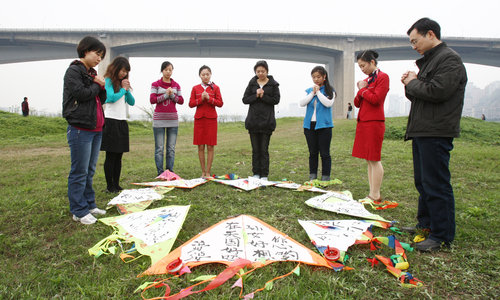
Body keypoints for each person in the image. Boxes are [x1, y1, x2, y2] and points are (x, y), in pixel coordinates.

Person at [401, 18, 467, 252]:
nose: (414, 46)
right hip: (423, 129)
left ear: (431, 34)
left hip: (436, 130)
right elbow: (423, 95)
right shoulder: (431, 61)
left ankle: (441, 234)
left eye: (415, 41)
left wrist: (413, 82)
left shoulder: (449, 59)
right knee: (423, 181)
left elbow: (437, 91)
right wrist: (411, 84)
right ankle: (426, 224)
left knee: (436, 183)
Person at [62, 36, 107, 225]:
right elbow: (81, 94)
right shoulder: (73, 71)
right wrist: (97, 84)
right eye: (97, 53)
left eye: (101, 56)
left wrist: (100, 85)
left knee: (89, 170)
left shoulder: (92, 73)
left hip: (96, 128)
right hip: (80, 128)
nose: (99, 58)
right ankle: (78, 210)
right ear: (85, 50)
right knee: (79, 171)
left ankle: (89, 204)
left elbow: (101, 98)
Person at [352, 50, 389, 202]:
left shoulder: (383, 77)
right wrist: (361, 90)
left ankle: (375, 194)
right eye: (359, 67)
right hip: (364, 122)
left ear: (372, 62)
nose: (362, 69)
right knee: (368, 159)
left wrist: (363, 89)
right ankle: (371, 193)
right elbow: (356, 103)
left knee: (374, 158)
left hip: (375, 122)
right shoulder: (366, 80)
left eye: (363, 65)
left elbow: (376, 99)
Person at [101, 57, 135, 193]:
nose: (123, 73)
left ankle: (116, 183)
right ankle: (109, 185)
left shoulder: (123, 85)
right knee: (111, 156)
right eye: (122, 70)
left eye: (126, 72)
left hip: (121, 121)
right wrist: (122, 90)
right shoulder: (108, 81)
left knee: (119, 156)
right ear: (116, 68)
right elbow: (110, 98)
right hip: (110, 121)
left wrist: (126, 90)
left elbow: (131, 102)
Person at [242, 60, 280, 181]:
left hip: (266, 122)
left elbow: (276, 100)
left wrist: (264, 96)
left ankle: (264, 174)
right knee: (255, 150)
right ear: (255, 72)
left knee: (264, 150)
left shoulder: (273, 84)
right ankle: (256, 173)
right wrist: (256, 95)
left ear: (267, 71)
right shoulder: (252, 83)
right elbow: (245, 99)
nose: (260, 73)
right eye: (258, 71)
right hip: (253, 122)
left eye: (263, 71)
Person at [300, 66, 335, 181]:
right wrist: (312, 93)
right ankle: (312, 176)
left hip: (324, 126)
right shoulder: (309, 91)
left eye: (318, 77)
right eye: (314, 77)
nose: (316, 79)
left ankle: (325, 177)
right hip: (309, 126)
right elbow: (302, 103)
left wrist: (318, 93)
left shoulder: (330, 91)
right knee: (312, 152)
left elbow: (328, 103)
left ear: (324, 77)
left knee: (325, 153)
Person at [150, 61, 184, 176]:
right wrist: (166, 95)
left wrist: (172, 95)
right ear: (162, 71)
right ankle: (160, 173)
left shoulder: (176, 85)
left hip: (173, 121)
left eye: (170, 70)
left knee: (171, 148)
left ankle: (169, 172)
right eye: (166, 70)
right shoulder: (155, 84)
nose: (168, 72)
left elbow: (181, 101)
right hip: (159, 120)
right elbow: (152, 100)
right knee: (159, 149)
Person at [189, 65, 223, 178]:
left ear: (210, 75)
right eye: (203, 74)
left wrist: (209, 99)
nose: (205, 76)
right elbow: (191, 104)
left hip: (211, 120)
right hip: (199, 120)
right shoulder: (195, 88)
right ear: (200, 76)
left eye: (207, 74)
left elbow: (220, 103)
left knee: (210, 146)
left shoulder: (216, 88)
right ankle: (203, 171)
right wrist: (201, 99)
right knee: (200, 147)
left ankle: (208, 172)